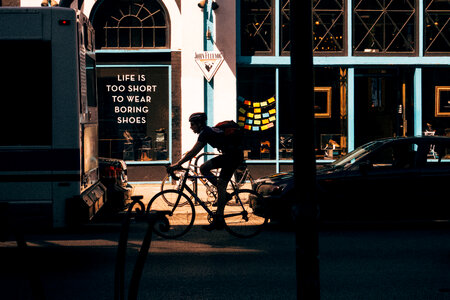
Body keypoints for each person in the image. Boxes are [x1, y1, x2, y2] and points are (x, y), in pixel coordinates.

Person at [169, 112, 243, 231]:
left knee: (214, 178)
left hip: (232, 157)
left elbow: (194, 151)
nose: (191, 127)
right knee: (205, 170)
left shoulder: (206, 133)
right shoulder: (207, 132)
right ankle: (224, 195)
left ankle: (219, 218)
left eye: (192, 124)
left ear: (199, 124)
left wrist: (178, 164)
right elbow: (193, 151)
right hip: (230, 156)